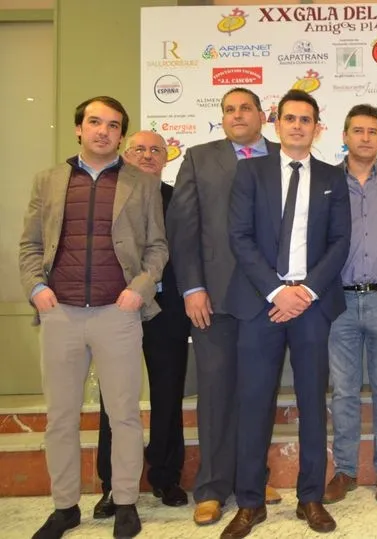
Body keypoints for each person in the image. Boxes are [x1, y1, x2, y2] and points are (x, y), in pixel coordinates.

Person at [19, 96, 167, 539]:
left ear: (122, 135)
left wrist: (138, 290)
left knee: (122, 414)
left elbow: (157, 247)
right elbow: (29, 245)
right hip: (59, 312)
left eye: (113, 125)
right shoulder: (48, 181)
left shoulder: (142, 184)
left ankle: (125, 502)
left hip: (117, 314)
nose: (103, 131)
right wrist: (36, 288)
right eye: (94, 122)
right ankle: (64, 507)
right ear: (78, 129)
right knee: (61, 417)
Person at [221, 89, 350, 537]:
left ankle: (310, 498)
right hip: (260, 305)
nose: (298, 126)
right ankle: (250, 502)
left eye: (306, 119)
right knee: (254, 403)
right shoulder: (250, 172)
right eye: (291, 118)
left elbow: (340, 244)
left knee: (313, 403)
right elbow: (239, 237)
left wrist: (306, 291)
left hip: (313, 307)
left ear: (318, 128)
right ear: (277, 124)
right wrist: (277, 291)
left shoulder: (334, 177)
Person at [166, 87, 282, 526]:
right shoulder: (198, 158)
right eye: (229, 109)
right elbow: (183, 229)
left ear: (261, 115)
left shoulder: (281, 156)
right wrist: (192, 287)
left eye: (245, 108)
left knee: (260, 392)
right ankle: (212, 488)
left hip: (270, 299)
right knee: (215, 391)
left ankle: (252, 478)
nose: (237, 115)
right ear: (222, 118)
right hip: (214, 298)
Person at [93, 132, 191, 521]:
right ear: (124, 154)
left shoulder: (178, 200)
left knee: (169, 395)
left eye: (156, 150)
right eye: (140, 149)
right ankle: (112, 486)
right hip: (117, 307)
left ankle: (166, 477)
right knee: (114, 401)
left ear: (166, 159)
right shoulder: (108, 197)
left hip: (167, 308)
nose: (148, 156)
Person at [324, 105, 377, 505]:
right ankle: (345, 471)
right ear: (345, 135)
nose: (366, 137)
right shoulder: (325, 181)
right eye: (358, 130)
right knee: (344, 391)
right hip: (338, 301)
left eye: (374, 131)